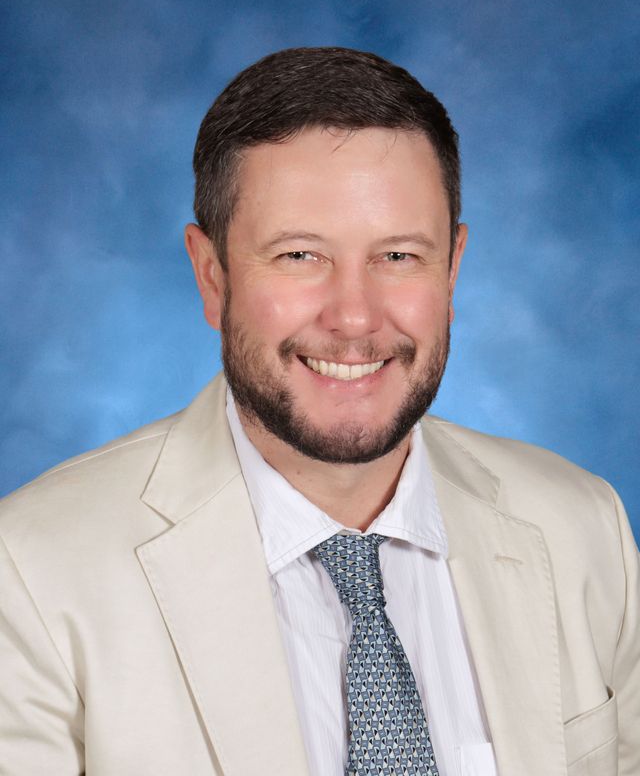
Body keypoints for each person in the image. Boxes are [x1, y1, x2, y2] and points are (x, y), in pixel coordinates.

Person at [0, 47, 637, 776]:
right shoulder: (30, 575)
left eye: (398, 256)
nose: (355, 318)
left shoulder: (584, 530)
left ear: (452, 269)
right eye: (300, 256)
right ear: (213, 278)